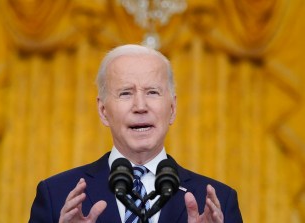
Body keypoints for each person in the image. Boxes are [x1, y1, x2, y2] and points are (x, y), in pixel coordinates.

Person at [29, 44, 243, 223]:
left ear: (172, 108)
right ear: (103, 111)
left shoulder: (218, 202)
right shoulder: (55, 195)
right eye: (125, 93)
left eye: (152, 92)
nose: (140, 106)